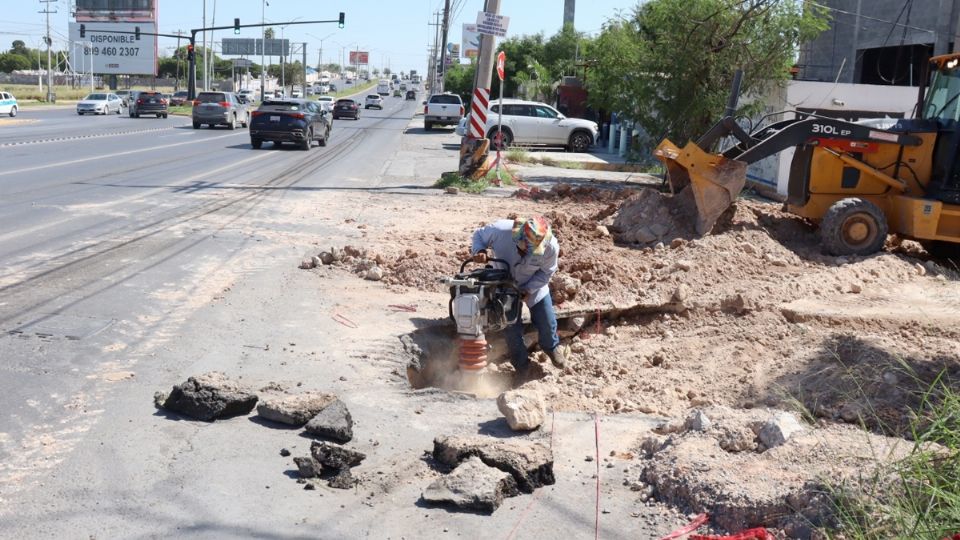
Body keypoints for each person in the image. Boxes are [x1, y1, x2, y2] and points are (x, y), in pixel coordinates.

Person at [471, 216, 568, 376]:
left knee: (546, 320)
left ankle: (551, 348)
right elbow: (478, 236)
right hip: (503, 285)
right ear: (517, 238)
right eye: (523, 250)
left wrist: (528, 289)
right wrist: (479, 250)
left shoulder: (550, 247)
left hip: (534, 284)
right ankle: (523, 366)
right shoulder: (500, 231)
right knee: (510, 327)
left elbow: (546, 273)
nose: (525, 254)